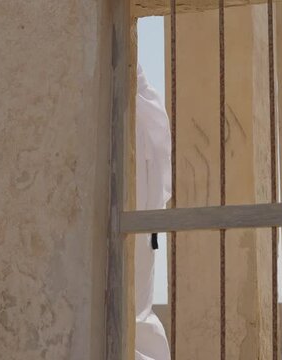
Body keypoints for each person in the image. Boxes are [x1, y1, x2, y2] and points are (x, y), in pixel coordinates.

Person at [134, 64, 172, 360]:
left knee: (136, 310)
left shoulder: (145, 106)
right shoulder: (147, 108)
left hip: (139, 218)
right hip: (138, 217)